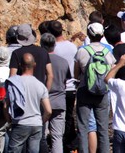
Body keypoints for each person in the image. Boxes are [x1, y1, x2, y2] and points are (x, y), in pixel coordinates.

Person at [74, 22, 115, 153]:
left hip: (84, 90)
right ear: (102, 35)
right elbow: (112, 73)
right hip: (102, 92)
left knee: (83, 127)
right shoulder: (108, 52)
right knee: (103, 128)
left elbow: (76, 74)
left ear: (89, 34)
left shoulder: (81, 51)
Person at [5, 53, 52, 153]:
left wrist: (8, 119)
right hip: (36, 124)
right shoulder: (40, 85)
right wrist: (40, 121)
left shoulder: (14, 83)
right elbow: (48, 111)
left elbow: (6, 105)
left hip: (20, 123)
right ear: (34, 65)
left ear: (20, 65)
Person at [47, 20, 78, 151]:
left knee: (53, 118)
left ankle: (57, 143)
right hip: (71, 86)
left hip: (57, 88)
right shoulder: (72, 47)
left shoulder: (53, 50)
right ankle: (68, 145)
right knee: (69, 117)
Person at [40, 33, 70, 153]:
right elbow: (65, 81)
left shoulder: (39, 61)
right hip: (59, 101)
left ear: (42, 45)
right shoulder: (63, 62)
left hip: (43, 102)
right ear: (54, 45)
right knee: (57, 137)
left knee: (41, 135)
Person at [9, 24, 53, 91]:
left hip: (22, 91)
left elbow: (12, 76)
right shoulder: (43, 52)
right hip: (39, 91)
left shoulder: (16, 53)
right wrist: (46, 92)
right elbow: (50, 75)